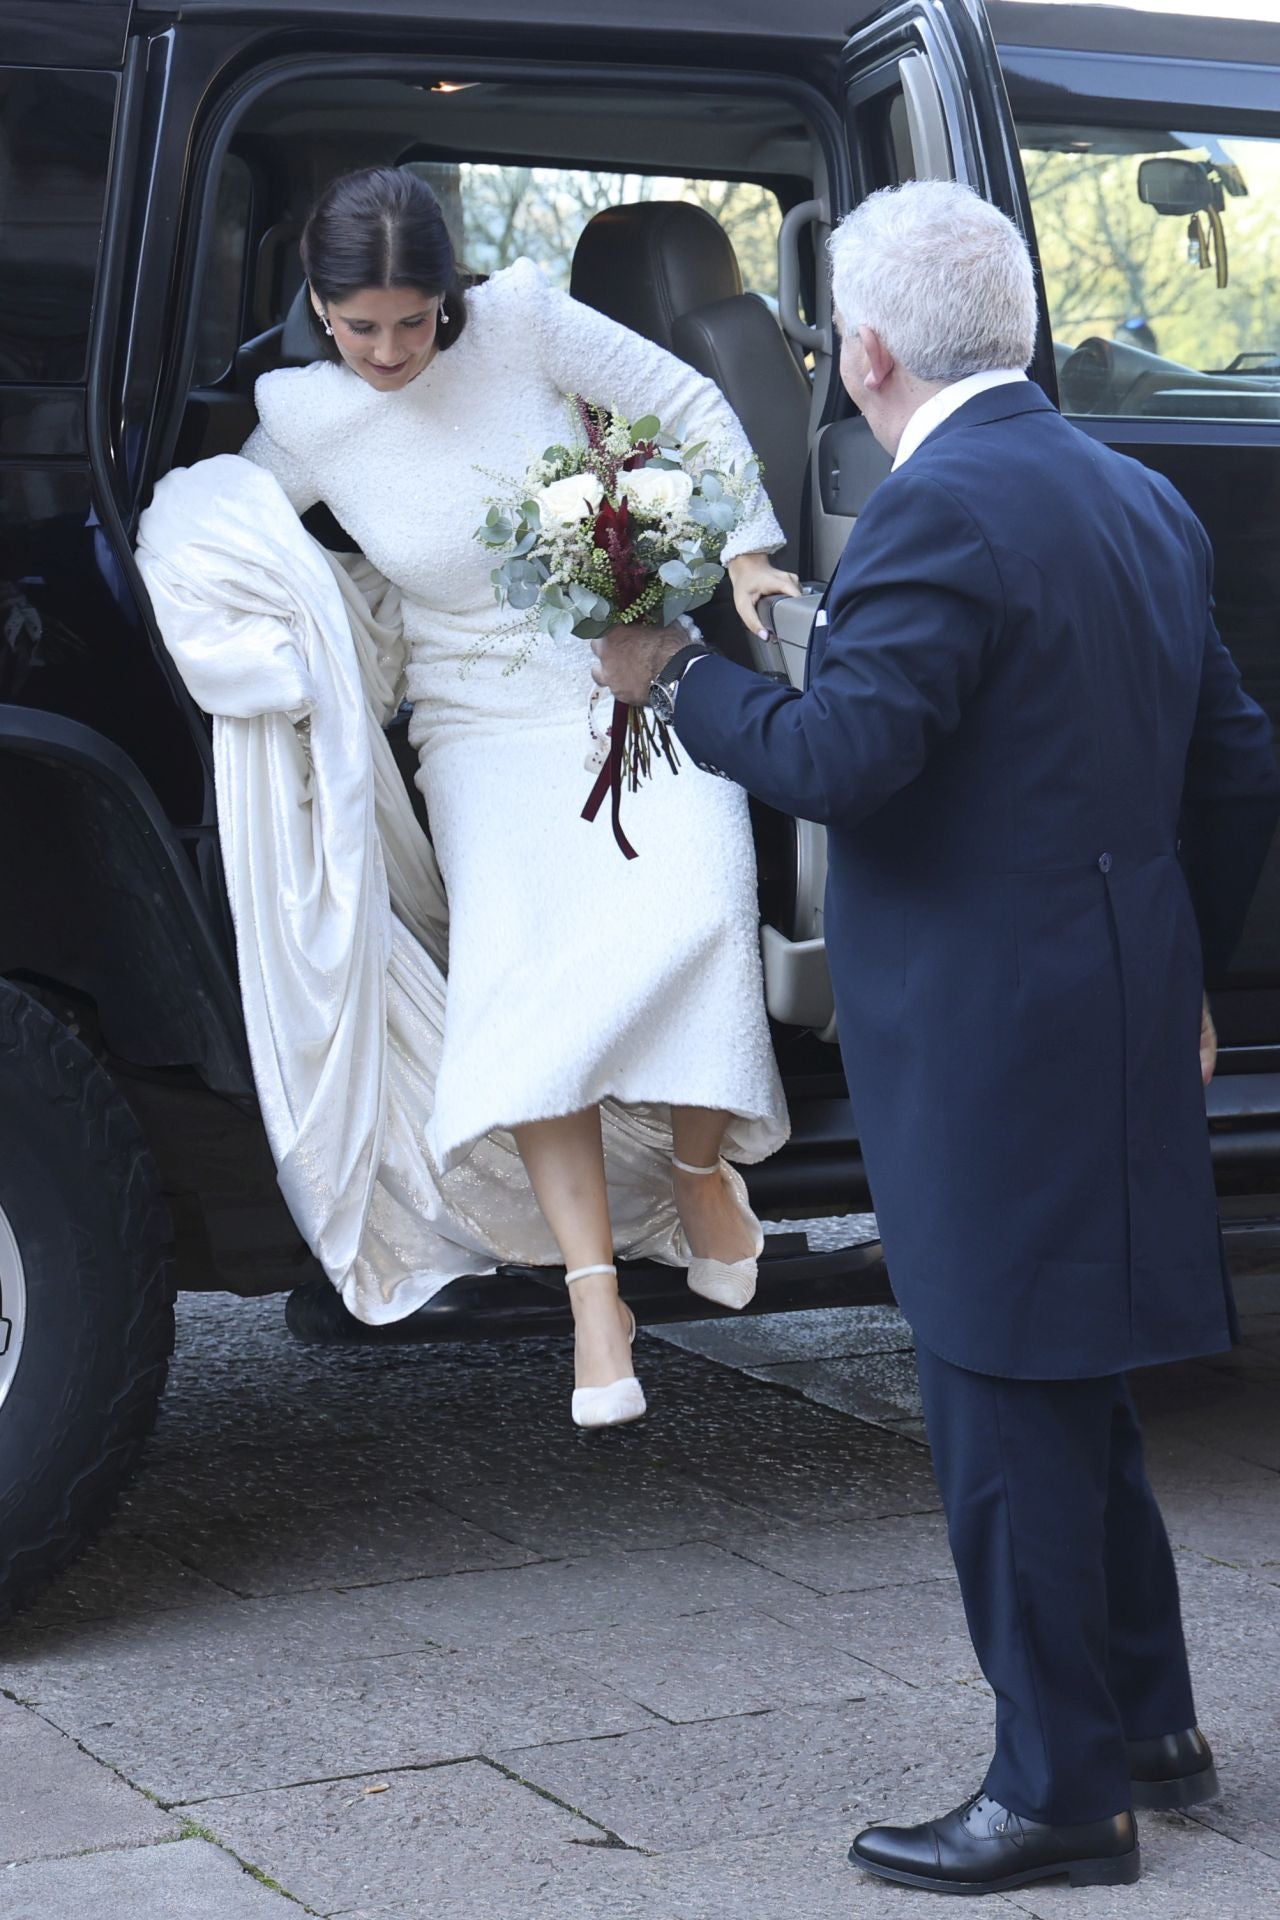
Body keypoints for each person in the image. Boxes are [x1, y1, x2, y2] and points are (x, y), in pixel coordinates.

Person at [592, 179, 1280, 1894]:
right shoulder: (1138, 494)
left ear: (866, 351)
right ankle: (1147, 1728)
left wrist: (675, 673)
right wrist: (1181, 966)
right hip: (1113, 995)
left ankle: (1059, 1794)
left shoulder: (936, 512)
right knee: (1075, 1388)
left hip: (993, 1032)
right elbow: (1239, 763)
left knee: (995, 1403)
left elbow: (843, 760)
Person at [240, 167, 794, 1428]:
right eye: (361, 324)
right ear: (320, 308)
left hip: (619, 662)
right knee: (526, 977)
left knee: (703, 904)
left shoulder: (531, 321)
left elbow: (686, 401)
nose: (389, 350)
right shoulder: (304, 418)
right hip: (476, 723)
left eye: (415, 320)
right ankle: (596, 1298)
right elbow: (231, 530)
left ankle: (702, 1167)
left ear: (452, 298)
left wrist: (747, 546)